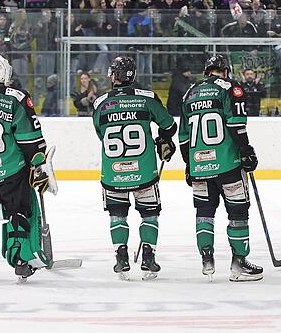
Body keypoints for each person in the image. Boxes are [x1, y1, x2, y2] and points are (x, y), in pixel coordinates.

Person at [178, 54, 263, 281]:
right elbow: (236, 124)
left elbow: (184, 138)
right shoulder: (230, 88)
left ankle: (207, 258)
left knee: (204, 212)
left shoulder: (190, 93)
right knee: (238, 212)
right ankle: (238, 263)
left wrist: (189, 165)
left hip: (199, 167)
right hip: (228, 164)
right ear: (225, 71)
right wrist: (246, 150)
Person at [91, 56, 177, 280]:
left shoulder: (100, 103)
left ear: (114, 76)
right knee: (150, 214)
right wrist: (163, 141)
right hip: (145, 170)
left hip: (114, 172)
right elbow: (169, 125)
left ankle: (121, 256)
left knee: (117, 214)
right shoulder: (147, 98)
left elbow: (101, 133)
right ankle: (148, 257)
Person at [0, 54, 49, 281]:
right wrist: (38, 164)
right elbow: (30, 139)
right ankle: (20, 260)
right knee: (18, 212)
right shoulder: (16, 98)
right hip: (11, 172)